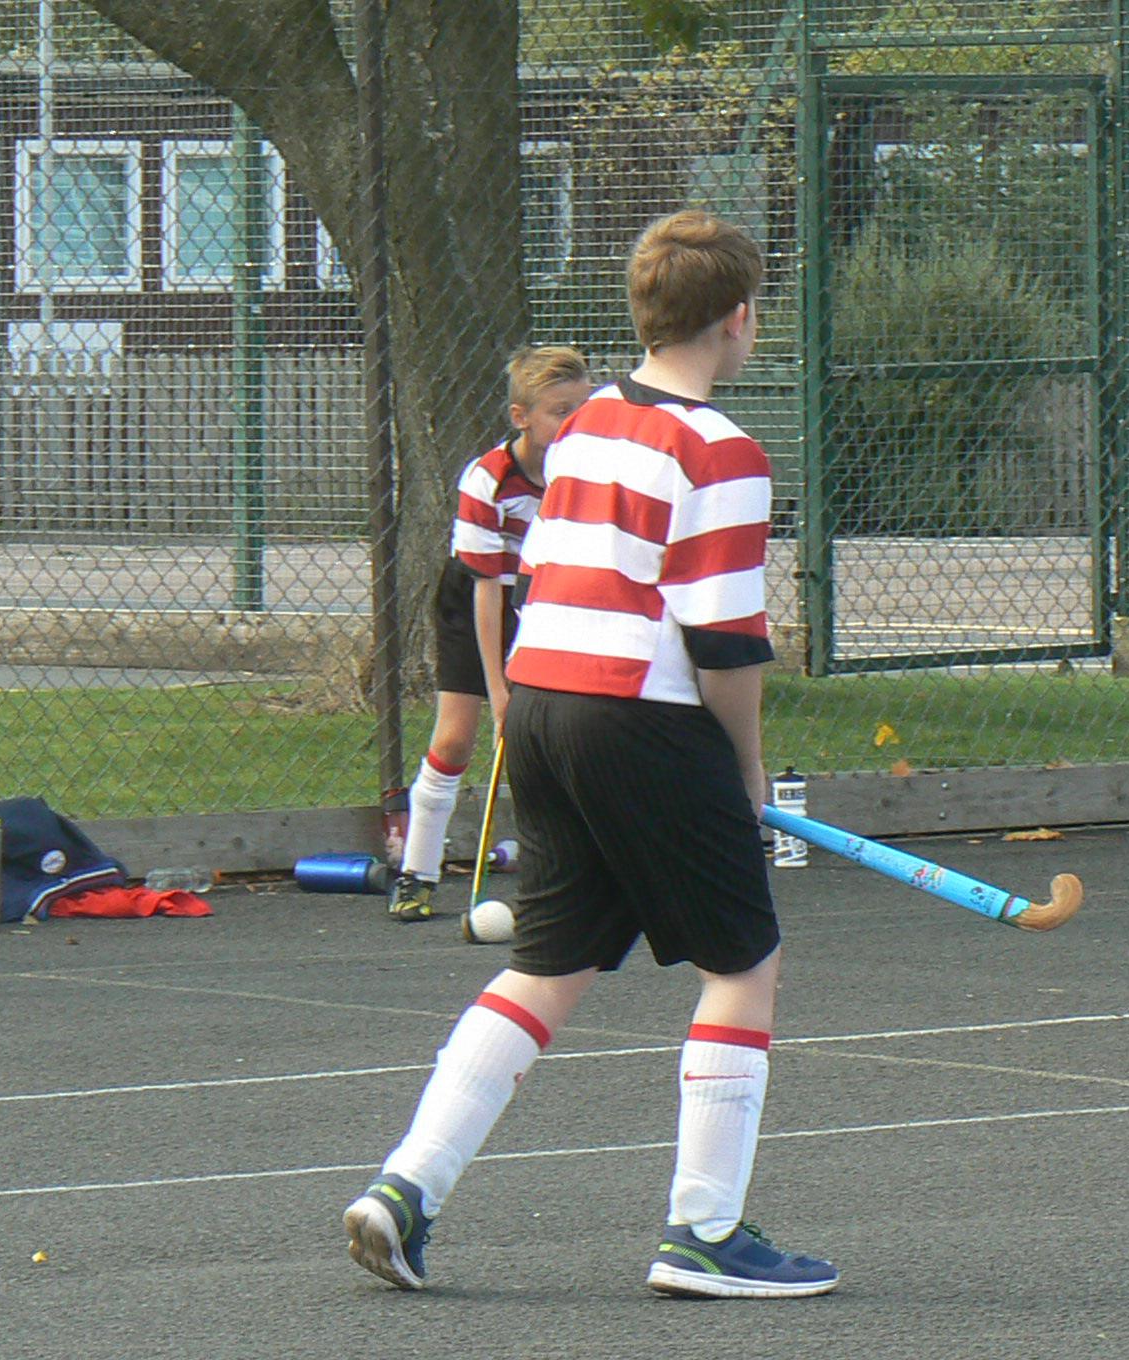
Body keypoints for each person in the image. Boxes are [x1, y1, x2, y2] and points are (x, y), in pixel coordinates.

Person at [344, 210, 837, 1298]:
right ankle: (704, 1234)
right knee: (742, 966)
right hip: (638, 721)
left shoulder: (589, 422)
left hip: (542, 712)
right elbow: (724, 640)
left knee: (549, 963)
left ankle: (407, 1186)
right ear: (739, 318)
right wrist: (745, 769)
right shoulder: (723, 451)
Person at [387, 346, 591, 922]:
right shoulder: (488, 479)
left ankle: (570, 869)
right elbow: (485, 591)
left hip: (551, 596)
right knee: (456, 738)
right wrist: (499, 690)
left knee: (560, 734)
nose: (573, 423)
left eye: (582, 409)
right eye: (559, 412)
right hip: (480, 599)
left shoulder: (589, 469)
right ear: (521, 417)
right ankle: (417, 874)